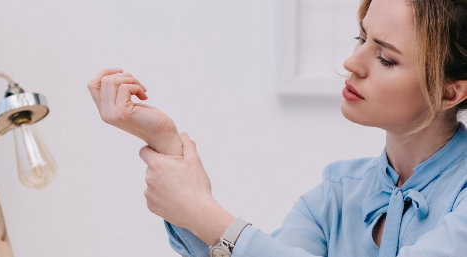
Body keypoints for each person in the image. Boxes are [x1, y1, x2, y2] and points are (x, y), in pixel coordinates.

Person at [87, 0, 467, 256]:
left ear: (451, 92)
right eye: (361, 38)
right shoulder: (338, 192)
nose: (353, 62)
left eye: (385, 58)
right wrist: (167, 146)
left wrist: (205, 214)